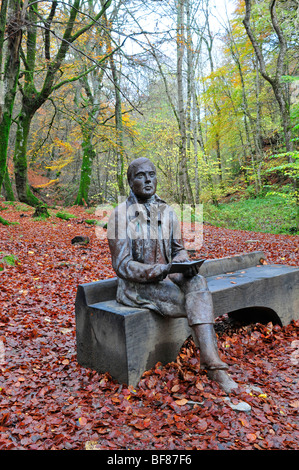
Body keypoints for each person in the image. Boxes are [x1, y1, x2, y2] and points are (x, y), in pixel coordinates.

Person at [107, 157, 238, 394]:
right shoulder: (119, 215)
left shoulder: (168, 212)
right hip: (137, 285)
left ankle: (212, 362)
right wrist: (157, 271)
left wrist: (182, 264)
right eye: (140, 175)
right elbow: (123, 265)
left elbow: (178, 250)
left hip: (167, 274)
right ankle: (215, 368)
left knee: (197, 281)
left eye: (152, 174)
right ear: (129, 181)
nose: (148, 179)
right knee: (193, 300)